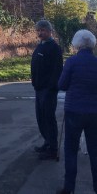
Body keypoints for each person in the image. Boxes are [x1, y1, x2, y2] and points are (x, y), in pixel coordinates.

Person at [56, 29, 97, 194]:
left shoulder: (72, 62)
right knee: (95, 150)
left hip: (74, 110)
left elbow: (62, 85)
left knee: (71, 150)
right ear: (92, 44)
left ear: (77, 45)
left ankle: (69, 188)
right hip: (95, 111)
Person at [30, 19, 63, 161]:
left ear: (50, 31)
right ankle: (47, 142)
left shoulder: (54, 48)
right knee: (41, 118)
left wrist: (51, 88)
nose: (40, 33)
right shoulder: (40, 46)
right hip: (39, 88)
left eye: (42, 30)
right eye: (38, 30)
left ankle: (53, 149)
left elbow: (57, 70)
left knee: (49, 119)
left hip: (48, 90)